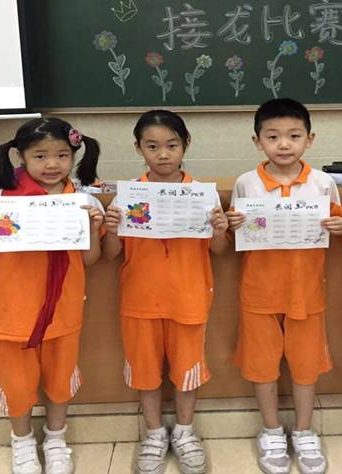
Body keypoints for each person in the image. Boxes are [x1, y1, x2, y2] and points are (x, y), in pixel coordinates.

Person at [0, 117, 104, 474]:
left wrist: (94, 228)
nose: (52, 164)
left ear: (73, 156)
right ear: (20, 157)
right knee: (16, 384)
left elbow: (89, 259)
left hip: (62, 311)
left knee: (59, 379)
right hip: (10, 313)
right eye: (40, 156)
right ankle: (22, 441)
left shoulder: (82, 201)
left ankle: (56, 439)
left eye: (62, 155)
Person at [103, 110, 229, 474]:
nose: (162, 154)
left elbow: (219, 250)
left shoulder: (202, 194)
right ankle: (155, 433)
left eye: (172, 145)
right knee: (145, 371)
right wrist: (111, 229)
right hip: (139, 300)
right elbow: (111, 254)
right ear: (138, 148)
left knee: (188, 369)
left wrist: (219, 229)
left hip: (189, 298)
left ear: (185, 145)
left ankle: (185, 431)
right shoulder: (129, 195)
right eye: (152, 146)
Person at [226, 98, 342, 474]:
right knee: (262, 366)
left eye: (294, 136)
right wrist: (232, 225)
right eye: (272, 136)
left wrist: (338, 227)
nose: (283, 144)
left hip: (306, 292)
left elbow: (338, 224)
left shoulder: (323, 182)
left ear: (310, 139)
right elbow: (235, 233)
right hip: (259, 292)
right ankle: (272, 430)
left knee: (306, 366)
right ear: (257, 141)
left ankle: (305, 431)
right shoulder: (246, 182)